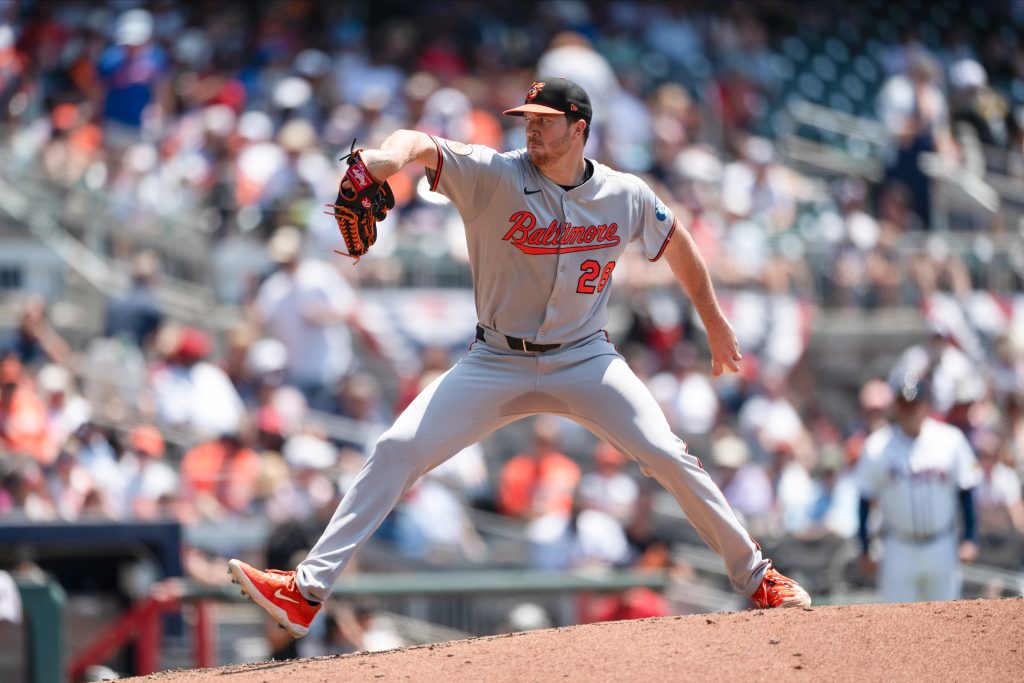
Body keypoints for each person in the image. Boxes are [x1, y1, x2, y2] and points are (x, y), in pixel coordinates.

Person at [229, 77, 811, 638]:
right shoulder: (493, 174)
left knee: (667, 453)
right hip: (496, 360)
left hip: (586, 359)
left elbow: (676, 240)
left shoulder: (624, 193)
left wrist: (712, 319)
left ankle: (758, 578)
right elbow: (421, 143)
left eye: (544, 122)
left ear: (579, 128)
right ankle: (304, 594)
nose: (530, 130)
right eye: (526, 120)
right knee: (396, 448)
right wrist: (385, 159)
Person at [855, 371, 982, 603]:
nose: (910, 410)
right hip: (897, 545)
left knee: (947, 616)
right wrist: (865, 548)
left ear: (926, 405)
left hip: (942, 543)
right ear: (895, 406)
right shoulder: (877, 446)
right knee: (897, 620)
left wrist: (970, 538)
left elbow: (966, 490)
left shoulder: (950, 440)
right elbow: (864, 498)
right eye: (904, 404)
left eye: (915, 403)